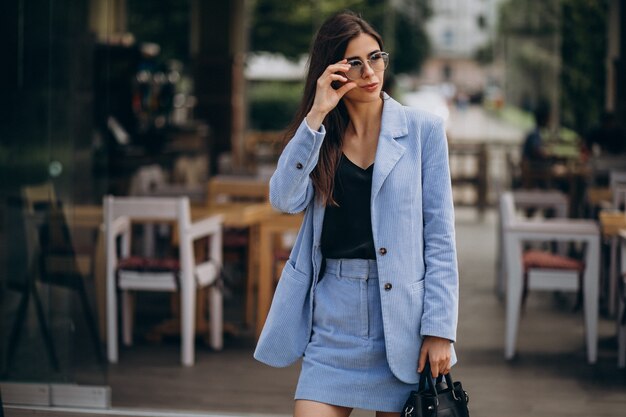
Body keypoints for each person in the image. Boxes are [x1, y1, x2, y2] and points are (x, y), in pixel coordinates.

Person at [254, 11, 459, 417]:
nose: (370, 72)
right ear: (331, 70)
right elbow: (284, 199)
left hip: (402, 323)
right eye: (354, 63)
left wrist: (440, 329)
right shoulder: (320, 137)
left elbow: (440, 236)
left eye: (376, 57)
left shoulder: (424, 131)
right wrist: (315, 116)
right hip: (333, 320)